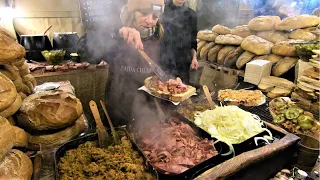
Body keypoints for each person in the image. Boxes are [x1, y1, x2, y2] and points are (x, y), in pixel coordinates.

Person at [106, 0, 167, 126]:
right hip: (119, 107)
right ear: (132, 12)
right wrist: (116, 34)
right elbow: (86, 52)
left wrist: (171, 80)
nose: (150, 21)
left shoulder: (162, 37)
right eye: (144, 13)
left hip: (149, 108)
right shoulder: (116, 34)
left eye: (155, 16)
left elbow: (166, 69)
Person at [160, 0, 198, 84]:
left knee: (182, 91)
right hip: (164, 62)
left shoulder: (191, 14)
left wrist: (194, 58)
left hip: (184, 63)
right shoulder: (162, 10)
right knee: (164, 90)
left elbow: (193, 40)